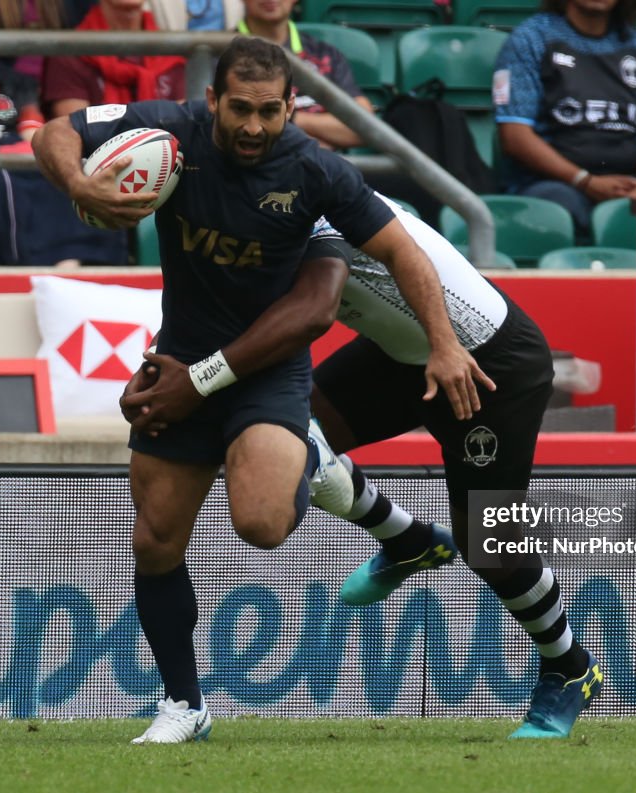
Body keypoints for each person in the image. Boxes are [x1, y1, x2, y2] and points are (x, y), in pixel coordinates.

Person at [31, 36, 489, 744]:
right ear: (211, 99)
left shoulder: (316, 171)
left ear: (291, 106)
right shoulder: (170, 129)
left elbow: (401, 250)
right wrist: (81, 185)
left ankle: (313, 454)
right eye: (238, 109)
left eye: (268, 112)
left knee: (263, 524)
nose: (252, 126)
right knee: (154, 542)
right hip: (177, 358)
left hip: (266, 376)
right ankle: (184, 704)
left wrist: (444, 342)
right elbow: (56, 132)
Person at [124, 193, 604, 739]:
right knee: (292, 432)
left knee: (489, 547)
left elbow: (307, 310)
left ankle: (570, 668)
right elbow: (221, 306)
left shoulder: (308, 197)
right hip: (401, 357)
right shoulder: (250, 199)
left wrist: (192, 382)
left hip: (490, 365)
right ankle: (406, 539)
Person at [0, 0, 128, 266]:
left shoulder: (16, 81)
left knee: (67, 169)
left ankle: (85, 261)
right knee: (0, 181)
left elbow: (34, 137)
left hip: (14, 158)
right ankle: (25, 266)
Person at [493, 0, 636, 239]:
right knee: (561, 209)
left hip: (628, 183)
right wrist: (585, 181)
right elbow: (515, 135)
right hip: (554, 182)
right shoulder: (531, 38)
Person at [237, 0, 375, 150]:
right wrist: (317, 141)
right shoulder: (218, 54)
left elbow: (365, 127)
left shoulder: (325, 55)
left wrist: (293, 120)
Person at [41, 0, 187, 119]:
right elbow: (74, 134)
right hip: (98, 153)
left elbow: (182, 130)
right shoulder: (70, 55)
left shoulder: (170, 54)